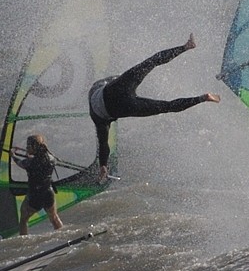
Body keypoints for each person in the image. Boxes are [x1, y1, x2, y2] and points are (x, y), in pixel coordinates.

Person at [89, 34, 220, 182]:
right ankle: (186, 46)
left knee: (166, 106)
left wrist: (103, 165)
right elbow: (117, 78)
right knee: (152, 61)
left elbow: (103, 143)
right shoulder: (101, 85)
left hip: (123, 107)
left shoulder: (99, 120)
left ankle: (203, 98)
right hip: (117, 88)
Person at [13, 133, 63, 235]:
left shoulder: (29, 162)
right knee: (54, 217)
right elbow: (47, 159)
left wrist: (13, 156)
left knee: (23, 220)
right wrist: (30, 155)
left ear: (34, 147)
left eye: (28, 146)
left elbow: (20, 163)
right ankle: (65, 237)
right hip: (49, 194)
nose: (26, 148)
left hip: (35, 196)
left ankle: (24, 243)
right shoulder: (51, 159)